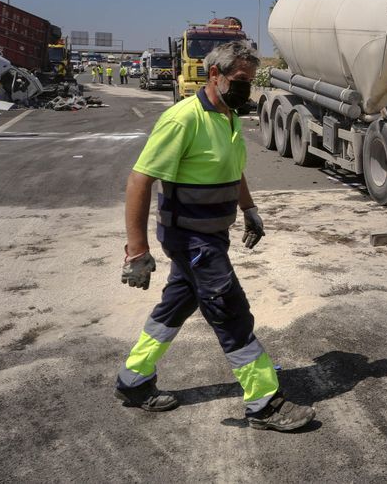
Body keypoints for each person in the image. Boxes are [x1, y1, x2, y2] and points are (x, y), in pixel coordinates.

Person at [116, 40, 314, 431]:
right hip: (191, 239)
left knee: (173, 308)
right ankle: (264, 403)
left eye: (249, 79)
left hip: (212, 236)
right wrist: (136, 251)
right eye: (240, 79)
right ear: (214, 75)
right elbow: (140, 180)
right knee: (230, 312)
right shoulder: (183, 119)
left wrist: (249, 209)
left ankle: (133, 381)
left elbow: (232, 170)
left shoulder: (228, 116)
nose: (246, 87)